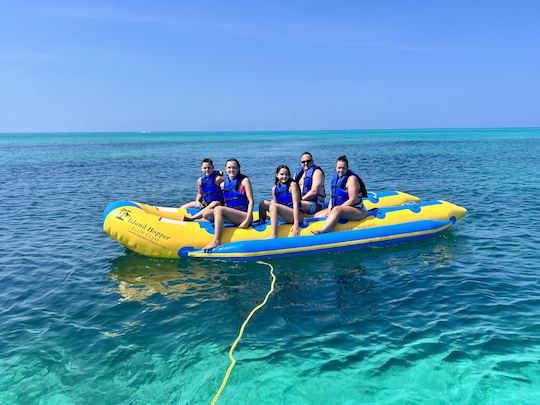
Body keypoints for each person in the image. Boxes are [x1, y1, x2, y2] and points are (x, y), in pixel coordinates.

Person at [202, 158, 254, 250]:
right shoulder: (223, 184)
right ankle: (219, 224)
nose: (231, 170)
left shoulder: (244, 181)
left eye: (234, 167)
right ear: (225, 169)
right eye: (229, 167)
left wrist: (248, 219)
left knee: (219, 209)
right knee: (206, 213)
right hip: (232, 216)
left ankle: (216, 241)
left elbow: (251, 201)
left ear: (238, 169)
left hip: (244, 216)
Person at [312, 155, 368, 234]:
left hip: (358, 210)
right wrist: (329, 209)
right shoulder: (335, 179)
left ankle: (322, 231)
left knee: (337, 210)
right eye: (339, 168)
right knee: (317, 215)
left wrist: (336, 210)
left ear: (347, 168)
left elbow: (353, 200)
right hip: (340, 209)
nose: (341, 170)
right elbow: (332, 197)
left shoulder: (351, 179)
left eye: (343, 168)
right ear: (336, 168)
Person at [267, 165, 304, 238]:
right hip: (286, 215)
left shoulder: (292, 185)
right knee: (263, 203)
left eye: (286, 174)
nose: (284, 176)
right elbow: (275, 202)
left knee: (273, 206)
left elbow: (296, 204)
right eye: (282, 174)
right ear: (276, 175)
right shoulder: (274, 189)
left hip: (297, 216)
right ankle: (261, 223)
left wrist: (296, 223)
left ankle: (274, 235)